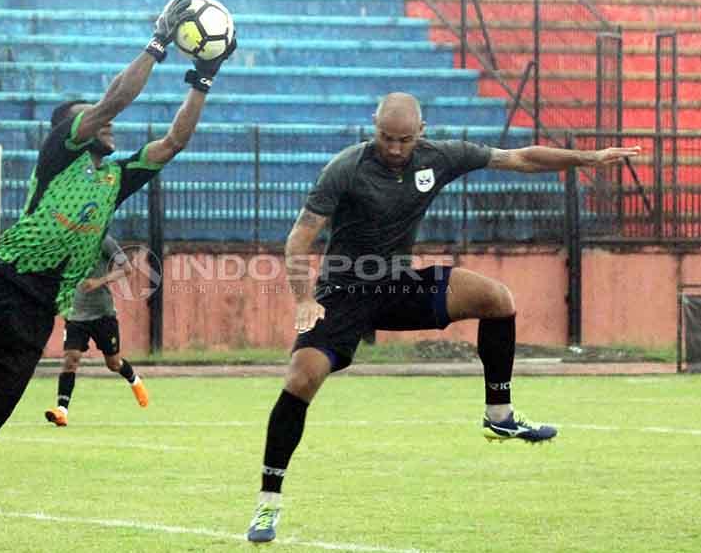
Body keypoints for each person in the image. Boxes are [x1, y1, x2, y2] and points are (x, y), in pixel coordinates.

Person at [0, 0, 236, 538]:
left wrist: (203, 77)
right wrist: (157, 43)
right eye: (89, 119)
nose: (102, 123)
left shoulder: (116, 177)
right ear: (73, 130)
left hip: (37, 314)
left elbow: (174, 141)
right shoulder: (60, 151)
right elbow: (109, 105)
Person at [245, 92, 641, 543]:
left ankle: (500, 414)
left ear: (422, 131)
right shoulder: (346, 167)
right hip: (344, 290)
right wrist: (302, 299)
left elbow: (522, 159)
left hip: (398, 285)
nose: (395, 148)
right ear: (373, 127)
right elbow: (299, 239)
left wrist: (589, 157)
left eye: (404, 139)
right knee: (300, 380)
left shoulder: (441, 156)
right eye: (386, 138)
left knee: (496, 299)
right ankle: (267, 505)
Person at [45, 235, 148, 428]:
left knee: (114, 363)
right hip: (76, 314)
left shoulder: (104, 241)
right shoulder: (68, 240)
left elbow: (127, 269)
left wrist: (99, 281)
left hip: (103, 314)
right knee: (70, 359)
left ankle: (134, 380)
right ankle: (61, 411)